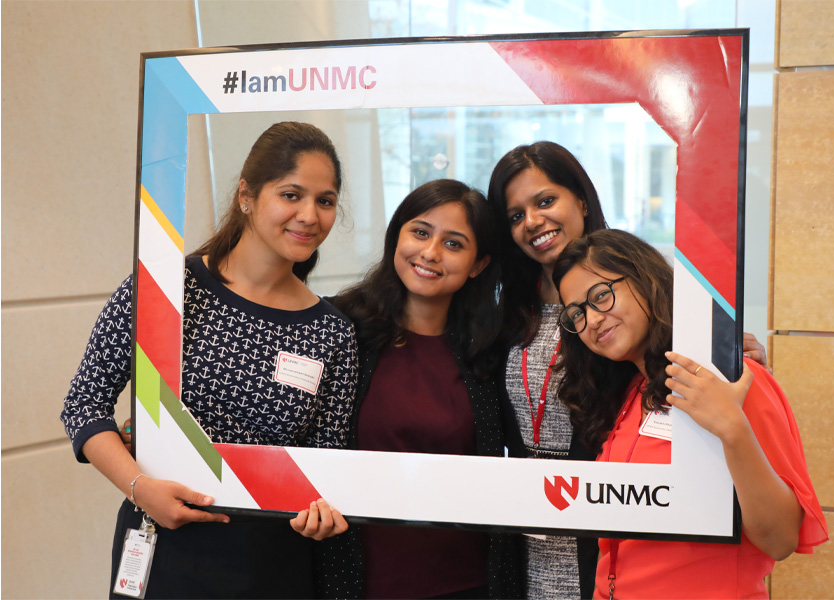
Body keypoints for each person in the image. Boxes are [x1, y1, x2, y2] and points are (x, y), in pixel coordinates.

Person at [60, 121, 357, 598]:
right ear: (247, 194)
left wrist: (323, 514)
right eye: (291, 194)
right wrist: (139, 487)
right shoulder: (165, 290)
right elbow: (83, 406)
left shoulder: (332, 332)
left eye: (324, 201)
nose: (309, 215)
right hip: (163, 547)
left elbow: (326, 462)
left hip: (272, 565)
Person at [486, 141, 771, 599]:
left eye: (544, 201)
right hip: (529, 525)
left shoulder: (634, 288)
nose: (533, 221)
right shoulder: (506, 310)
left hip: (618, 522)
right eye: (516, 215)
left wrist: (728, 352)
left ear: (580, 198)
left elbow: (686, 360)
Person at [553, 229, 828, 599]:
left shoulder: (730, 380)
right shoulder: (630, 394)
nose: (593, 319)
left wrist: (733, 429)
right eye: (577, 314)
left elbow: (780, 539)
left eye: (601, 296)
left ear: (644, 278)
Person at [313, 179, 522, 599]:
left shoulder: (492, 350)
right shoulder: (338, 325)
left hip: (469, 583)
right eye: (421, 232)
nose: (430, 253)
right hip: (354, 580)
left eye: (454, 244)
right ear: (398, 236)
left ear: (478, 264)